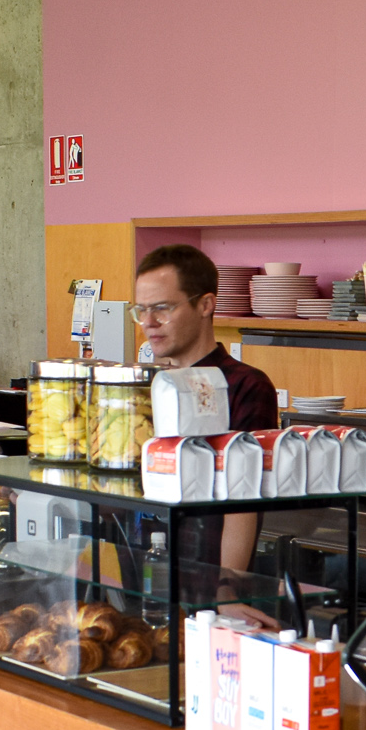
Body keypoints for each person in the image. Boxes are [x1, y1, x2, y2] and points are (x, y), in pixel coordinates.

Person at [131, 243, 278, 582]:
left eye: (162, 308)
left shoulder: (245, 385)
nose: (149, 323)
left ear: (205, 305)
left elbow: (243, 502)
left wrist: (226, 589)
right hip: (141, 569)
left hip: (206, 578)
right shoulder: (144, 387)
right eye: (141, 310)